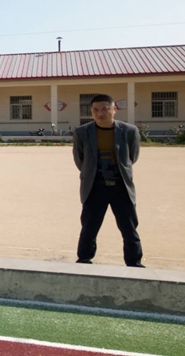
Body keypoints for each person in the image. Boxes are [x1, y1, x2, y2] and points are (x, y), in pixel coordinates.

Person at [73, 94, 144, 268]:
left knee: (129, 228)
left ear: (114, 109)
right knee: (89, 228)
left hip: (121, 187)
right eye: (95, 110)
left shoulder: (129, 131)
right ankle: (84, 260)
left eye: (105, 109)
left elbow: (132, 157)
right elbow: (80, 159)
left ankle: (134, 263)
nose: (100, 113)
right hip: (94, 187)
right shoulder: (82, 132)